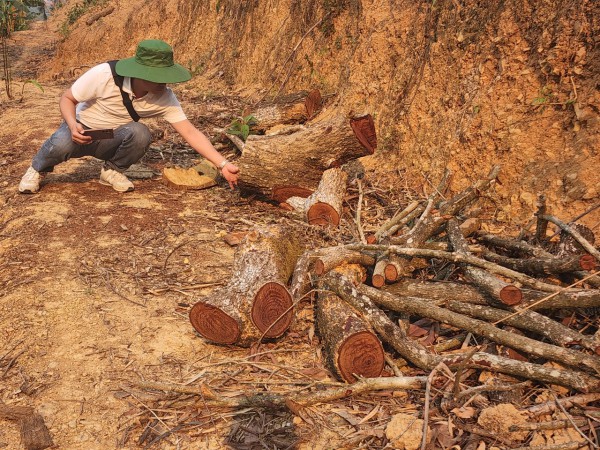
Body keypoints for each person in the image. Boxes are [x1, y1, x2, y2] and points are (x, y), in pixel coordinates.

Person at [19, 39, 239, 193]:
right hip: (81, 130)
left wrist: (222, 164)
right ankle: (37, 169)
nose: (164, 83)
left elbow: (190, 132)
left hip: (112, 138)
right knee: (60, 143)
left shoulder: (164, 97)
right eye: (158, 77)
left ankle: (112, 171)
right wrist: (72, 124)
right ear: (139, 74)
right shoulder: (103, 75)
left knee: (141, 133)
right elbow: (67, 98)